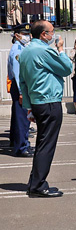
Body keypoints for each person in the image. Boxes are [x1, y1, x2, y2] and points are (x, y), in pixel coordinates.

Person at [19, 20, 73, 197]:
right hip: (49, 101)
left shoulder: (26, 51)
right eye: (51, 31)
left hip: (37, 102)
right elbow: (66, 68)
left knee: (42, 143)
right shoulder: (44, 49)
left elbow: (23, 82)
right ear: (43, 34)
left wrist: (28, 107)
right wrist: (61, 50)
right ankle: (38, 185)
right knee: (46, 145)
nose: (53, 35)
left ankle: (34, 181)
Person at [8, 23, 33, 157]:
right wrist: (22, 92)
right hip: (20, 87)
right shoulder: (17, 51)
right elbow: (18, 74)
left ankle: (18, 142)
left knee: (19, 117)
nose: (27, 37)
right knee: (22, 118)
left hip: (20, 87)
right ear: (17, 36)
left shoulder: (20, 47)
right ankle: (21, 147)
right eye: (24, 34)